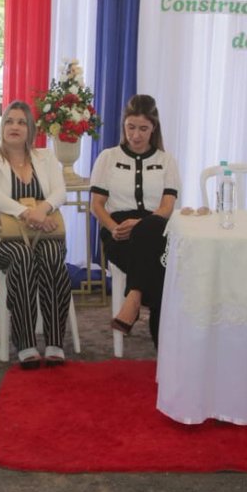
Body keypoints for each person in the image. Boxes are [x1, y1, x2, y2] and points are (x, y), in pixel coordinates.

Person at [0, 101, 71, 369]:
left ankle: (54, 342)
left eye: (21, 122)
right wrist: (28, 213)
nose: (14, 127)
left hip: (45, 234)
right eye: (9, 121)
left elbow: (60, 192)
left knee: (51, 256)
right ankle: (25, 343)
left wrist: (43, 209)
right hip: (1, 239)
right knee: (22, 256)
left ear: (30, 129)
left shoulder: (46, 158)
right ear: (2, 127)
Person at [90, 95, 180, 349]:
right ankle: (163, 348)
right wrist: (113, 228)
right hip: (118, 231)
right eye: (131, 127)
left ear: (154, 128)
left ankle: (134, 297)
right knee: (160, 267)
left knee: (151, 229)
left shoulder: (166, 161)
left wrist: (140, 225)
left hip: (156, 226)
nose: (136, 135)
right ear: (123, 126)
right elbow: (96, 205)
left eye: (143, 129)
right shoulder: (107, 158)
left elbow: (166, 208)